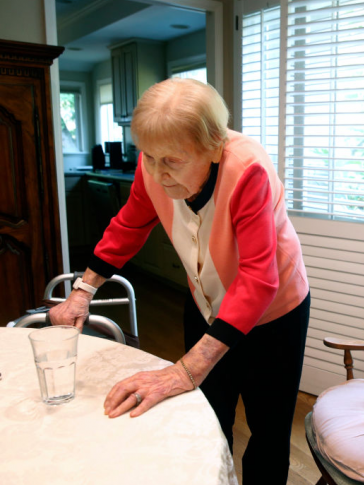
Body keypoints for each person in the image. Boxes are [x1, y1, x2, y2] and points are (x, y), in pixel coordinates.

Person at [49, 78, 310, 484]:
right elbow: (129, 226)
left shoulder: (247, 170)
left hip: (275, 311)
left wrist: (187, 367)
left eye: (170, 161)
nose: (156, 172)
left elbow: (259, 279)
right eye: (148, 157)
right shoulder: (153, 164)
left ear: (212, 147)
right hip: (206, 300)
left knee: (268, 427)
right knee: (207, 413)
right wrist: (83, 291)